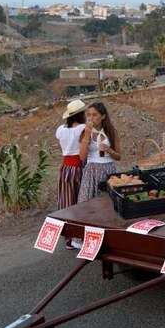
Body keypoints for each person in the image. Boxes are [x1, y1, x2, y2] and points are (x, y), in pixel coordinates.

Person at [56, 99, 87, 249]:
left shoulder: (60, 129)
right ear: (81, 114)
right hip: (78, 168)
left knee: (67, 201)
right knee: (81, 202)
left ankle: (69, 238)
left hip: (65, 168)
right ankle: (79, 237)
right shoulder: (82, 128)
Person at [78, 102, 121, 203]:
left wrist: (109, 150)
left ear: (103, 116)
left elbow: (118, 157)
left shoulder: (111, 132)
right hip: (91, 172)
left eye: (94, 115)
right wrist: (87, 134)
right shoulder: (85, 132)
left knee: (108, 203)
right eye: (88, 115)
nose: (91, 118)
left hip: (109, 170)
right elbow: (82, 157)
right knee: (88, 204)